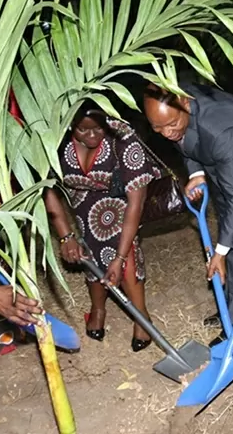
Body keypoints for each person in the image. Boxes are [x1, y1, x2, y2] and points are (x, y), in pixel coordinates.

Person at [144, 83, 233, 345]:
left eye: (170, 124)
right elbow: (185, 140)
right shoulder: (172, 103)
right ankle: (228, 307)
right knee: (227, 223)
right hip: (223, 154)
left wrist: (221, 251)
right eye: (157, 128)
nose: (167, 133)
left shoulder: (219, 128)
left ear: (186, 104)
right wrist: (197, 173)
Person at [43, 106, 155, 351]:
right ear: (71, 124)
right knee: (90, 250)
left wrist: (120, 256)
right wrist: (66, 237)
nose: (92, 136)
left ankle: (141, 317)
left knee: (123, 255)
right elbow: (47, 189)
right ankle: (98, 309)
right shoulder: (56, 140)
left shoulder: (123, 138)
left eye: (98, 128)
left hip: (121, 202)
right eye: (84, 129)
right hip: (82, 203)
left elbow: (136, 202)